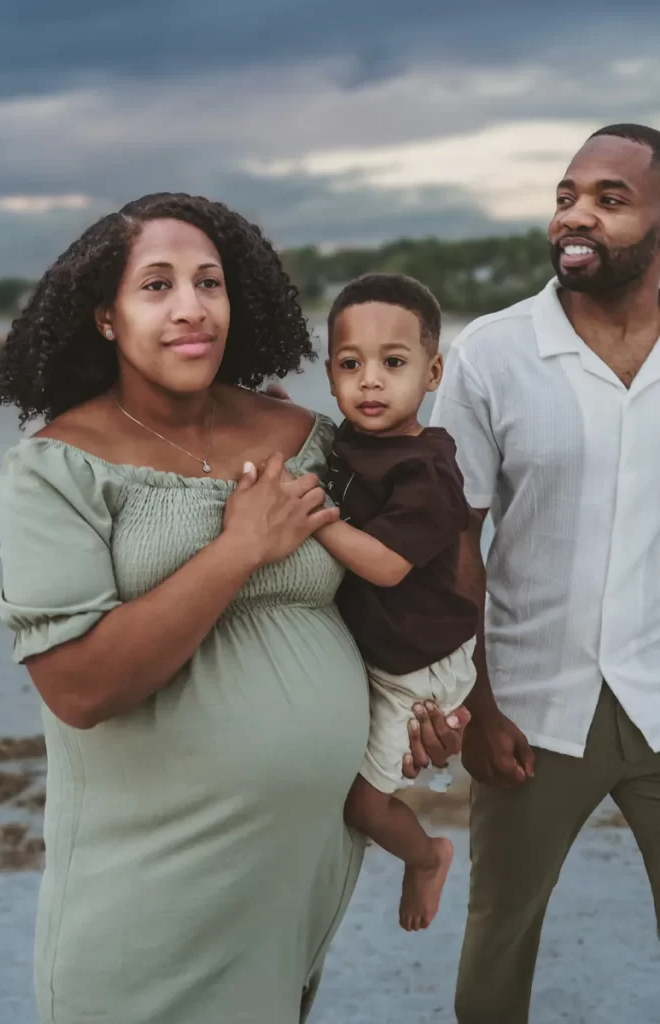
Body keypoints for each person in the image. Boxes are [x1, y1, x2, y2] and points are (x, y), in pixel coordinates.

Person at [0, 193, 462, 1024]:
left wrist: (426, 701)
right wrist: (237, 549)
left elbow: (409, 572)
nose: (191, 307)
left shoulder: (311, 435)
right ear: (105, 316)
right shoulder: (53, 470)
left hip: (297, 866)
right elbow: (79, 689)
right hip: (150, 884)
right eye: (157, 286)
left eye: (209, 282)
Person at [431, 124, 660, 1023]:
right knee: (496, 956)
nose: (578, 216)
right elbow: (455, 545)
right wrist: (478, 707)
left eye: (612, 200)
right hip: (529, 710)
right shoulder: (492, 354)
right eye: (568, 195)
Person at [309, 273, 478, 932]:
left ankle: (427, 855)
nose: (370, 380)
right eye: (352, 364)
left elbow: (383, 566)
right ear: (329, 375)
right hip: (385, 642)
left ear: (432, 372)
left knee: (364, 805)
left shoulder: (426, 474)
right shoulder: (350, 441)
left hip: (420, 661)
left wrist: (318, 519)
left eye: (394, 363)